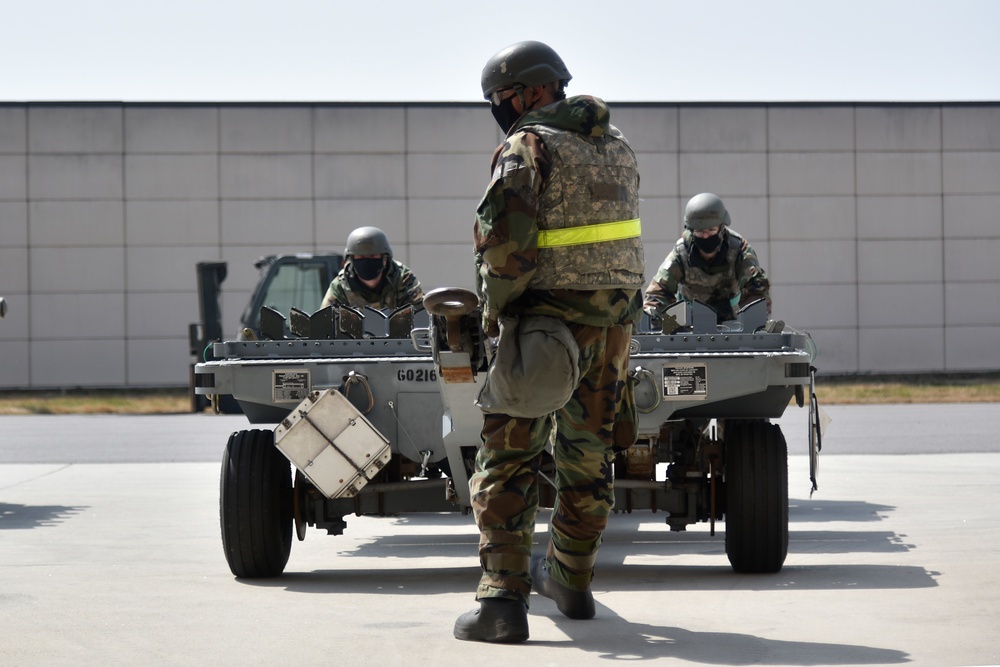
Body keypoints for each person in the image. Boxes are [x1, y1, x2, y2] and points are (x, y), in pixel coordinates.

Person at [454, 40, 645, 643]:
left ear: (536, 90)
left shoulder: (525, 147)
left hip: (541, 328)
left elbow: (507, 248)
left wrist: (495, 318)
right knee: (587, 462)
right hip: (611, 333)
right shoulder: (616, 146)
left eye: (502, 96)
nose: (499, 107)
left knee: (508, 459)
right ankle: (572, 580)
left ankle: (501, 605)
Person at [643, 193, 771, 325]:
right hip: (691, 323)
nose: (705, 236)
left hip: (733, 322)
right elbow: (658, 292)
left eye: (711, 230)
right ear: (691, 231)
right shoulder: (681, 253)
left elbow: (757, 288)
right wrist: (656, 321)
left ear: (722, 229)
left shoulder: (739, 249)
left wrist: (754, 325)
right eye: (700, 231)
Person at [320, 226, 423, 310]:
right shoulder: (340, 286)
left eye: (373, 256)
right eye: (361, 257)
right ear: (351, 259)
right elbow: (325, 324)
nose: (367, 261)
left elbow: (420, 315)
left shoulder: (402, 278)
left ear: (385, 259)